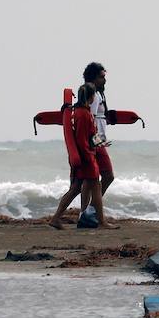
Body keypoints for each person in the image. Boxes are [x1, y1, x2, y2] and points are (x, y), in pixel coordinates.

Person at [47, 82, 118, 230]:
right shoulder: (84, 114)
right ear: (91, 97)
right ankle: (102, 222)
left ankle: (55, 219)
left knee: (75, 189)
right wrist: (90, 157)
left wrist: (100, 143)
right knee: (95, 187)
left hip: (83, 157)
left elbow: (90, 136)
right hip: (86, 159)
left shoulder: (78, 112)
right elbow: (82, 140)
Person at [83, 62, 116, 201]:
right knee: (108, 176)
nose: (105, 79)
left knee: (90, 180)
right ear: (94, 78)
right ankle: (92, 209)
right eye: (102, 77)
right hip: (95, 142)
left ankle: (85, 212)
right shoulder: (95, 96)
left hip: (94, 142)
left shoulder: (98, 95)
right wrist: (97, 142)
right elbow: (90, 120)